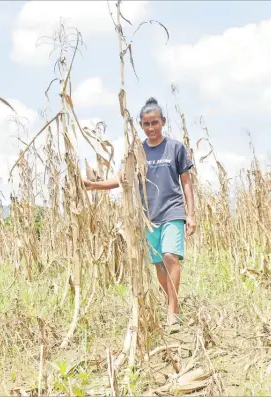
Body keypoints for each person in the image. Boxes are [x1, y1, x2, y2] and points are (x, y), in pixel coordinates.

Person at [83, 97, 196, 333]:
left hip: (173, 211)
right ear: (141, 125)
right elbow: (123, 178)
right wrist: (95, 186)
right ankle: (172, 303)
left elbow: (186, 183)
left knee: (170, 256)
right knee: (159, 266)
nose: (151, 128)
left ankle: (172, 314)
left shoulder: (176, 148)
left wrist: (191, 214)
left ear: (163, 122)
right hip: (149, 216)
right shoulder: (138, 152)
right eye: (146, 124)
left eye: (155, 122)